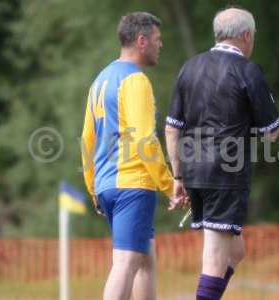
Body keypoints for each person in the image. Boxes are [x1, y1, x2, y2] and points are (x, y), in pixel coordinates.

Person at [165, 7, 279, 300]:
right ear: (245, 35)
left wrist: (178, 175)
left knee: (236, 250)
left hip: (193, 171)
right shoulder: (248, 70)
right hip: (225, 175)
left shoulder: (189, 67)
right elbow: (271, 131)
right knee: (215, 255)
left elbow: (172, 129)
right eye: (252, 36)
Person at [81, 12, 184, 300]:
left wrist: (93, 189)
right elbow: (144, 140)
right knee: (126, 263)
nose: (160, 45)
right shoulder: (135, 80)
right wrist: (169, 185)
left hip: (107, 185)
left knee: (145, 262)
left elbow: (87, 141)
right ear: (141, 41)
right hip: (132, 184)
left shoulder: (99, 81)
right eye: (157, 40)